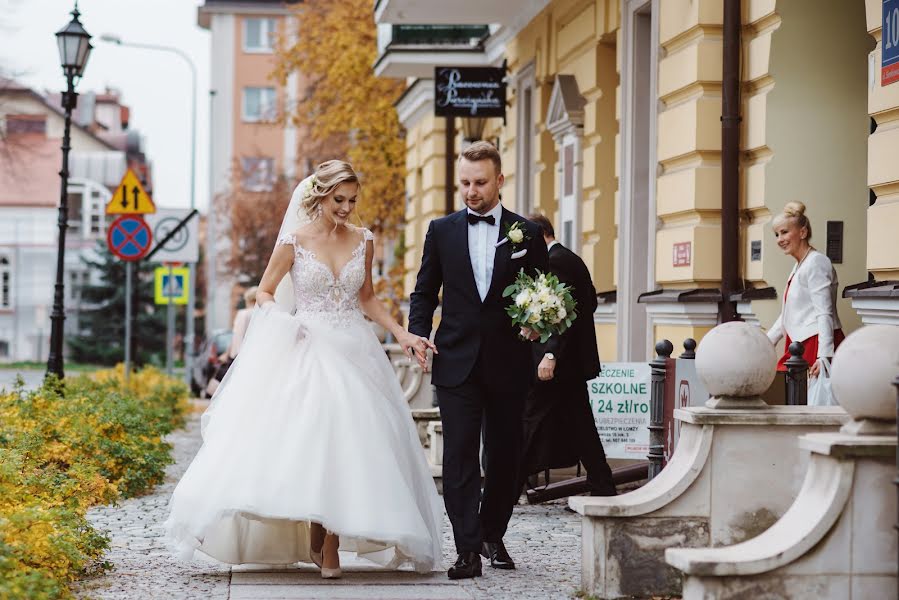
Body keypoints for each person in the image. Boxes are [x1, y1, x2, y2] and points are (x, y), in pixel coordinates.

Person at [166, 160, 443, 578]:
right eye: (339, 200)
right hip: (307, 344)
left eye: (352, 200)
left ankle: (329, 538)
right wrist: (281, 320)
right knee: (314, 438)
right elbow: (262, 291)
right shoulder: (294, 243)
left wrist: (402, 334)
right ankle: (317, 530)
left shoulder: (363, 240)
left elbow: (366, 298)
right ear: (319, 196)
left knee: (352, 440)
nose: (347, 208)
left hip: (354, 349)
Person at [407, 141, 549, 580]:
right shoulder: (441, 230)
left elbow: (543, 292)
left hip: (509, 362)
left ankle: (492, 532)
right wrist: (417, 333)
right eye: (465, 183)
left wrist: (536, 324)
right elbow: (425, 290)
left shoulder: (525, 233)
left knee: (506, 456)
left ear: (500, 180)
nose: (471, 191)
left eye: (480, 182)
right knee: (461, 458)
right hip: (456, 360)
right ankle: (467, 548)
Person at [519, 214, 616, 497]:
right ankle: (602, 483)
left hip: (558, 363)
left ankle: (505, 489)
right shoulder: (571, 258)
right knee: (581, 425)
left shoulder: (555, 261)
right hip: (570, 363)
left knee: (529, 419)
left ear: (539, 236)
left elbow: (563, 314)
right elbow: (591, 302)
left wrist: (550, 353)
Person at [767, 201, 844, 379]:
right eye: (777, 234)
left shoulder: (816, 262)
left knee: (800, 398)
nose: (779, 239)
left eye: (784, 232)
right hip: (799, 344)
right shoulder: (800, 265)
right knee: (791, 396)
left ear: (803, 232)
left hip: (815, 343)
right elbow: (788, 314)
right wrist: (765, 342)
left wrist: (824, 356)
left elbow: (825, 312)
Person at [206, 286, 257, 397]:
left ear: (248, 299)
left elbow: (236, 336)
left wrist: (226, 354)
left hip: (238, 355)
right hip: (254, 355)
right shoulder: (262, 313)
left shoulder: (243, 314)